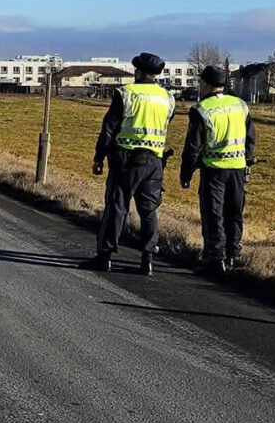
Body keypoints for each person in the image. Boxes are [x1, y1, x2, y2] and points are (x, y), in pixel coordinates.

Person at [82, 52, 176, 274]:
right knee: (149, 210)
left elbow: (109, 128)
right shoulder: (168, 97)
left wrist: (99, 157)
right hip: (154, 160)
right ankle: (148, 259)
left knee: (117, 206)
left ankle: (105, 256)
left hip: (125, 158)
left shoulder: (126, 93)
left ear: (139, 71)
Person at [181, 65, 257, 276]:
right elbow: (250, 137)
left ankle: (215, 258)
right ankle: (233, 253)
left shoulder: (201, 109)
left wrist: (186, 173)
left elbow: (193, 147)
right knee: (234, 212)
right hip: (238, 168)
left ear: (205, 83)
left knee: (213, 214)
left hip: (214, 170)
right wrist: (248, 160)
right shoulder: (240, 105)